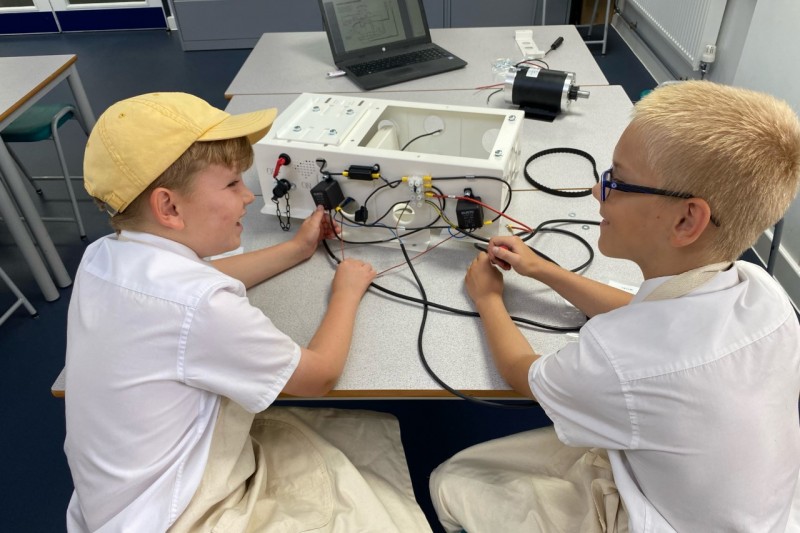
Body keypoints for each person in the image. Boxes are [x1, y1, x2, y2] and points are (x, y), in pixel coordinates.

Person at [429, 80, 800, 532]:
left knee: (453, 478)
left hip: (662, 519)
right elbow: (642, 312)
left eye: (617, 181)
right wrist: (545, 271)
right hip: (758, 514)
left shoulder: (620, 360)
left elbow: (522, 372)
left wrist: (488, 298)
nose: (595, 191)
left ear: (687, 219)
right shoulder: (763, 292)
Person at [64, 92, 432, 532]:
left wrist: (297, 249)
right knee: (369, 495)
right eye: (232, 184)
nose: (248, 196)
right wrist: (346, 293)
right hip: (179, 515)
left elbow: (205, 279)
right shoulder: (201, 306)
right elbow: (317, 378)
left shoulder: (106, 255)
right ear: (169, 207)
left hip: (114, 504)